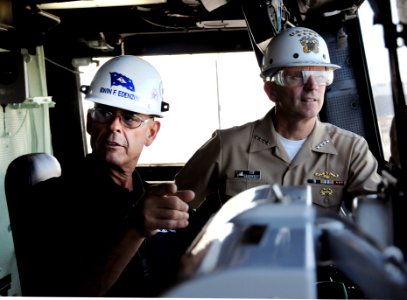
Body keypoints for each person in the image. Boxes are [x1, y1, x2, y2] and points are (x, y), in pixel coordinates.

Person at [17, 55, 199, 296]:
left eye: (130, 118)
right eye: (104, 113)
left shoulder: (157, 202)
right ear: (90, 123)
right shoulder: (50, 200)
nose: (114, 125)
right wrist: (134, 230)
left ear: (151, 133)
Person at [175, 27, 382, 221]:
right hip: (249, 259)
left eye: (321, 75)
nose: (312, 86)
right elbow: (174, 208)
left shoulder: (351, 149)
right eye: (296, 76)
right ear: (271, 91)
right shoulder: (228, 145)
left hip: (319, 260)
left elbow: (382, 217)